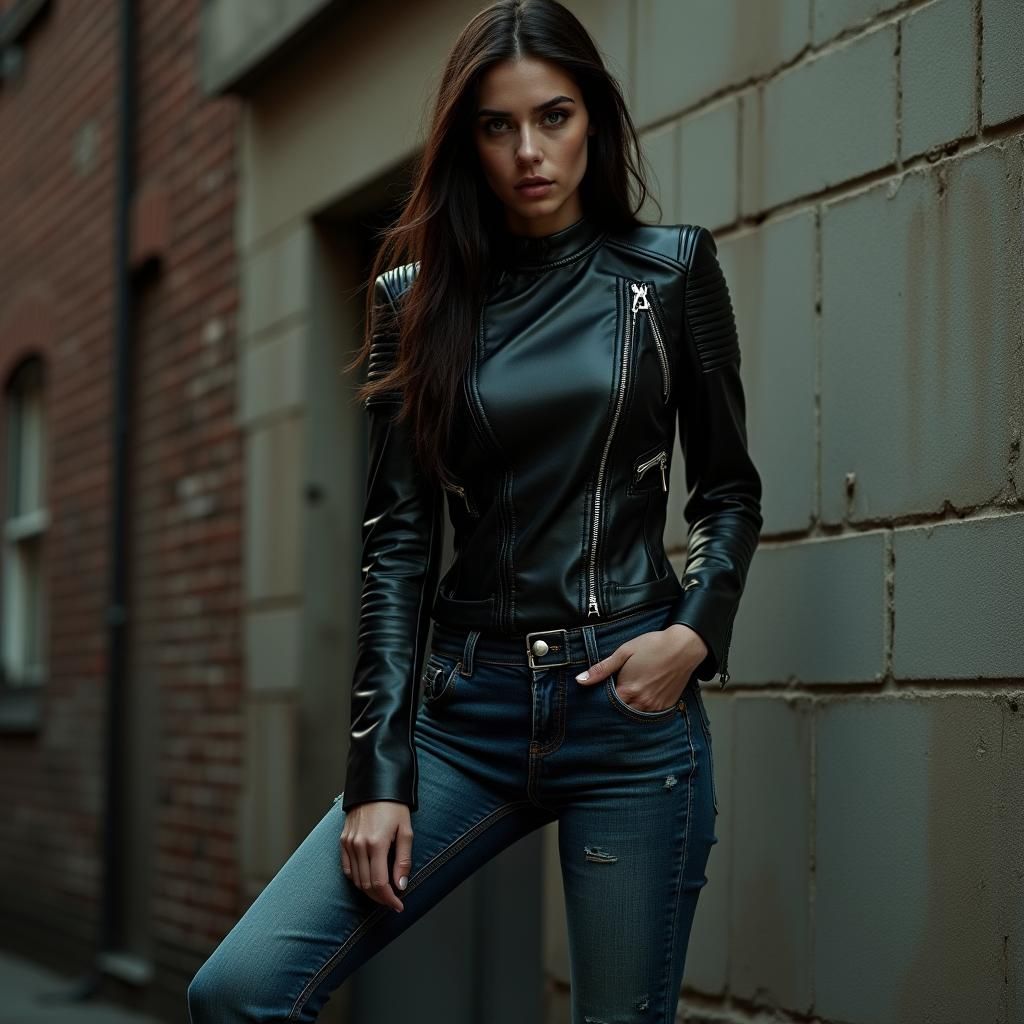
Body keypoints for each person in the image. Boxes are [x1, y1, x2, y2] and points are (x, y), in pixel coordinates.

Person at [186, 0, 762, 1020]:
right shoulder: (414, 299)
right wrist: (378, 769)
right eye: (498, 126)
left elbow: (726, 490)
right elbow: (396, 548)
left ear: (595, 120)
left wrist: (692, 635)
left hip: (626, 708)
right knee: (239, 991)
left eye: (555, 116)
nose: (530, 151)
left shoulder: (671, 272)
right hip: (466, 712)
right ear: (467, 139)